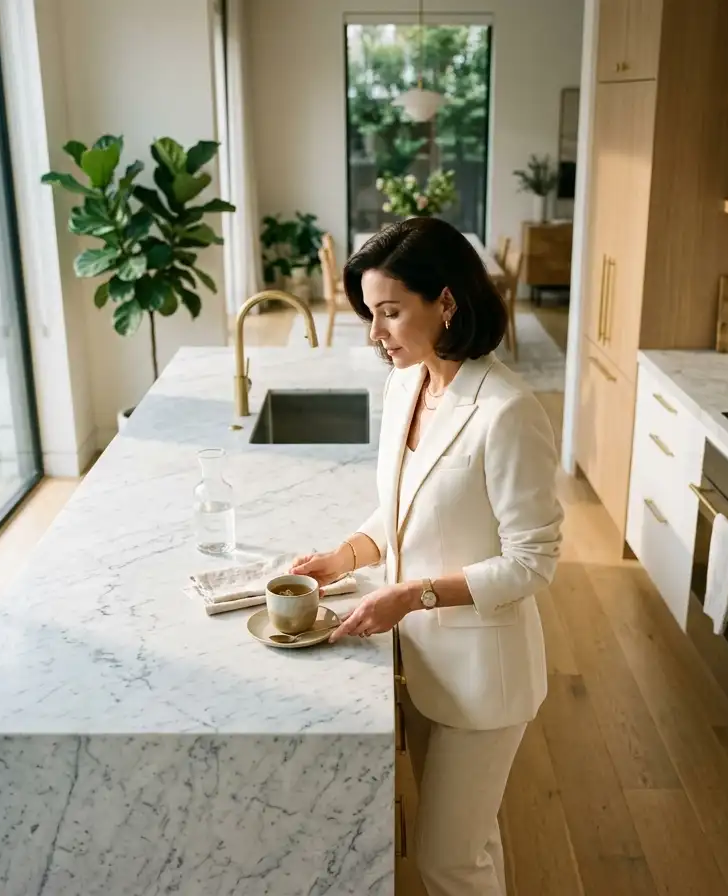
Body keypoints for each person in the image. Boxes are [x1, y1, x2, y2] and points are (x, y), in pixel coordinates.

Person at [291, 217, 563, 896]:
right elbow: (400, 509)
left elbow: (533, 562)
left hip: (483, 678)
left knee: (445, 860)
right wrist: (344, 556)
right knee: (468, 841)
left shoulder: (507, 412)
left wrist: (411, 595)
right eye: (370, 314)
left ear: (445, 302)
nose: (375, 334)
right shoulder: (408, 385)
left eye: (389, 313)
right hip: (421, 659)